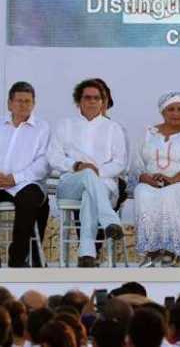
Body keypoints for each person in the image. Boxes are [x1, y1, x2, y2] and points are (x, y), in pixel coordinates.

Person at [0, 81, 51, 268]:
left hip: (26, 183)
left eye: (28, 101)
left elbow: (44, 163)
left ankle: (18, 258)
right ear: (9, 103)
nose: (23, 105)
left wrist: (16, 178)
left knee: (28, 201)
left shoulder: (42, 128)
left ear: (34, 104)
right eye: (19, 100)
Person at [47, 79, 127, 267]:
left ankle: (87, 255)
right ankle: (110, 221)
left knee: (89, 193)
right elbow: (53, 156)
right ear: (78, 101)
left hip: (102, 184)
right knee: (88, 177)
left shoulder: (113, 128)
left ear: (102, 101)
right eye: (87, 98)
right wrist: (76, 165)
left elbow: (120, 163)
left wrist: (95, 170)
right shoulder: (65, 124)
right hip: (70, 183)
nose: (92, 101)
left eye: (96, 98)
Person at [129, 92, 180, 267]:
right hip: (150, 182)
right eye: (171, 109)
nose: (175, 113)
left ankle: (175, 251)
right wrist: (146, 178)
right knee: (143, 193)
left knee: (171, 195)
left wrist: (172, 179)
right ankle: (152, 250)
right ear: (163, 112)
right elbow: (136, 164)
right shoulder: (148, 133)